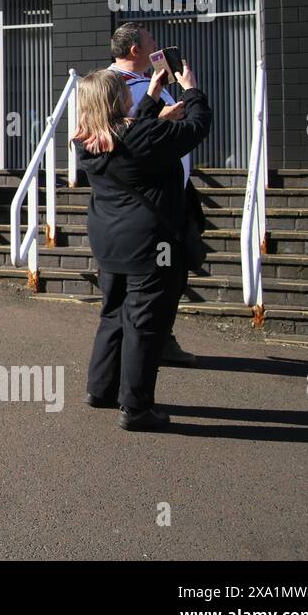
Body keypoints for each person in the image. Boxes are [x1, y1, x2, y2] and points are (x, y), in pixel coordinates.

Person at [73, 61, 211, 431]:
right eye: (124, 93)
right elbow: (197, 127)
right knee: (145, 325)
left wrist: (152, 97)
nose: (128, 97)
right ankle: (136, 408)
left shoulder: (85, 140)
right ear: (116, 101)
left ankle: (100, 389)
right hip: (152, 245)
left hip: (108, 239)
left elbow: (131, 131)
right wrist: (191, 90)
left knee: (114, 312)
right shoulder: (144, 137)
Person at [106, 22, 198, 368]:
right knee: (150, 276)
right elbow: (112, 134)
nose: (157, 46)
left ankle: (161, 337)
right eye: (151, 41)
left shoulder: (155, 81)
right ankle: (143, 348)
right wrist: (162, 115)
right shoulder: (110, 84)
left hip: (175, 193)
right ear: (135, 50)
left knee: (174, 271)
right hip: (143, 201)